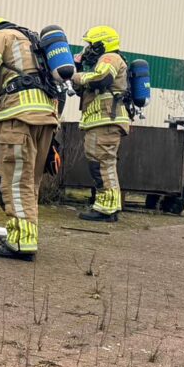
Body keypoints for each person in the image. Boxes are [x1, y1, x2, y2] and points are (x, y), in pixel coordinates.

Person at [0, 17, 60, 260]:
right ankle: (24, 235)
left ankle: (21, 242)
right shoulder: (32, 42)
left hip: (18, 117)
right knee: (30, 184)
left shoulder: (2, 36)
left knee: (15, 183)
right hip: (46, 118)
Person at [72, 26, 130, 222]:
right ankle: (109, 206)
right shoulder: (104, 60)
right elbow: (84, 89)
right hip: (102, 120)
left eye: (91, 45)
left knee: (101, 164)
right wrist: (78, 68)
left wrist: (77, 76)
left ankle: (106, 209)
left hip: (106, 120)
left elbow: (101, 78)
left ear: (102, 44)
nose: (87, 49)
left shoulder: (109, 58)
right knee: (104, 164)